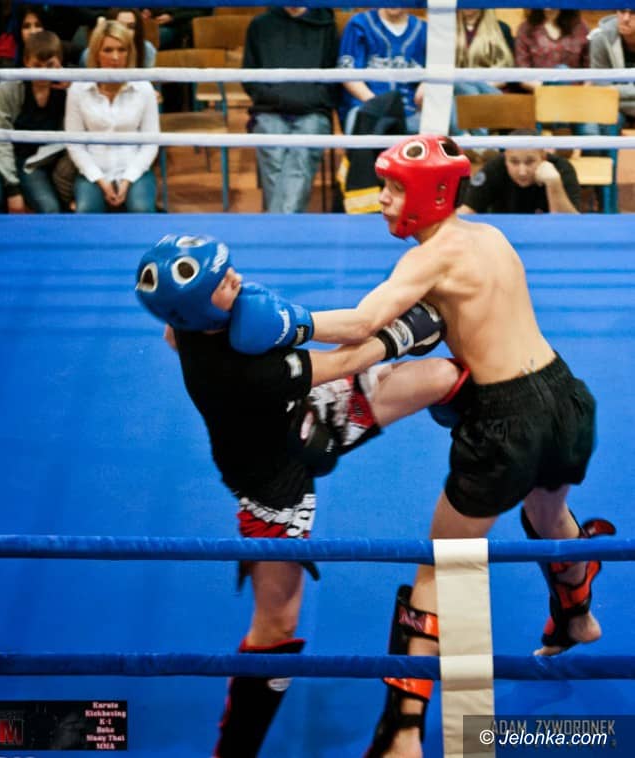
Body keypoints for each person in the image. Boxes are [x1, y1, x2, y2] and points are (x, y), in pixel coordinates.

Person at [278, 134, 613, 757]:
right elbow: (431, 326)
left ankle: (404, 734)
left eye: (393, 188)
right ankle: (578, 614)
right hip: (566, 396)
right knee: (547, 515)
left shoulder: (426, 260)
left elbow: (360, 325)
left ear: (430, 194)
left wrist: (281, 326)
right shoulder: (489, 236)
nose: (382, 199)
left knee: (442, 564)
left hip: (507, 419)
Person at [134, 232, 464, 758]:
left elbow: (174, 335)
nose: (233, 276)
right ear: (197, 307)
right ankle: (235, 750)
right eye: (218, 280)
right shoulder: (243, 372)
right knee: (277, 626)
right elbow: (346, 358)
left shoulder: (191, 325)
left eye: (226, 267)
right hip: (272, 489)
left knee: (445, 377)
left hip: (306, 413)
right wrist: (403, 333)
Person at [242, 7, 339, 213]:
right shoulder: (260, 25)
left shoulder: (327, 25)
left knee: (301, 159)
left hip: (313, 110)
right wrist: (277, 98)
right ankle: (286, 223)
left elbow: (334, 78)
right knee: (274, 157)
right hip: (269, 109)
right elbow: (249, 78)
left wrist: (307, 99)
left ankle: (277, 224)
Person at [0, 30, 68, 214]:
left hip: (30, 162)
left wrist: (75, 87)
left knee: (50, 209)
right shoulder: (8, 88)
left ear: (59, 63)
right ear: (26, 62)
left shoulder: (69, 88)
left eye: (50, 65)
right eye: (37, 65)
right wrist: (13, 189)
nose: (43, 72)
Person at [64, 20, 158, 213]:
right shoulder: (78, 89)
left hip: (134, 169)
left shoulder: (144, 88)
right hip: (94, 171)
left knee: (141, 210)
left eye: (121, 50)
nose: (115, 57)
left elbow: (151, 142)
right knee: (86, 212)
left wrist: (128, 179)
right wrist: (100, 180)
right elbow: (74, 144)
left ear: (129, 53)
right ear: (96, 53)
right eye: (108, 50)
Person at [337, 8, 427, 136]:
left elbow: (439, 68)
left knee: (438, 123)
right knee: (360, 124)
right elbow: (348, 74)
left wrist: (427, 84)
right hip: (366, 107)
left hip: (411, 111)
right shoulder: (360, 23)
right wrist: (379, 105)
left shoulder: (424, 30)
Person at [457, 130, 581, 214]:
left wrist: (554, 184)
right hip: (503, 239)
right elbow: (465, 212)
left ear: (543, 157)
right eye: (514, 162)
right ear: (505, 157)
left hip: (548, 238)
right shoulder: (495, 168)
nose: (522, 172)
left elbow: (571, 227)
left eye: (530, 162)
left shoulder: (562, 169)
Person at [515, 9, 590, 92]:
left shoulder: (581, 27)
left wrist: (581, 93)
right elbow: (523, 74)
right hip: (540, 91)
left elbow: (590, 69)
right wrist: (548, 90)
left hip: (575, 92)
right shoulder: (526, 29)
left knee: (562, 70)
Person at [589, 9, 635, 129]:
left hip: (617, 101)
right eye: (622, 11)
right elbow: (602, 89)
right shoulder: (601, 38)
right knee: (606, 116)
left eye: (633, 13)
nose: (626, 18)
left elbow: (609, 90)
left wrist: (615, 89)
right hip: (612, 106)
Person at [80, 8, 156, 69]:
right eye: (120, 25)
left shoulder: (147, 49)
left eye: (131, 27)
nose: (125, 31)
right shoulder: (88, 55)